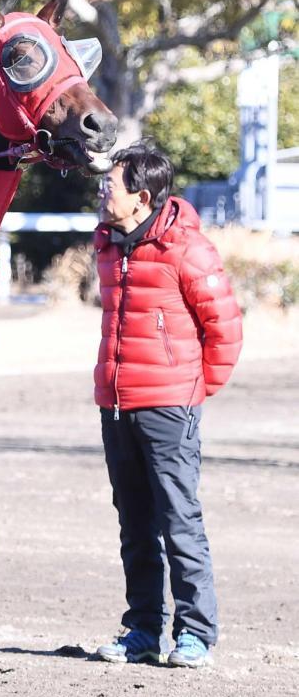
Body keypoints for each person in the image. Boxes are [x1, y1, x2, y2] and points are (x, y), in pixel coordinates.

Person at [93, 142, 242, 668]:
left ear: (142, 196)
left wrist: (192, 390)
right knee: (133, 523)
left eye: (111, 184)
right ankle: (141, 631)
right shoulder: (108, 243)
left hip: (168, 406)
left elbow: (225, 328)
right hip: (115, 404)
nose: (102, 191)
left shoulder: (187, 248)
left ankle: (195, 633)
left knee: (179, 519)